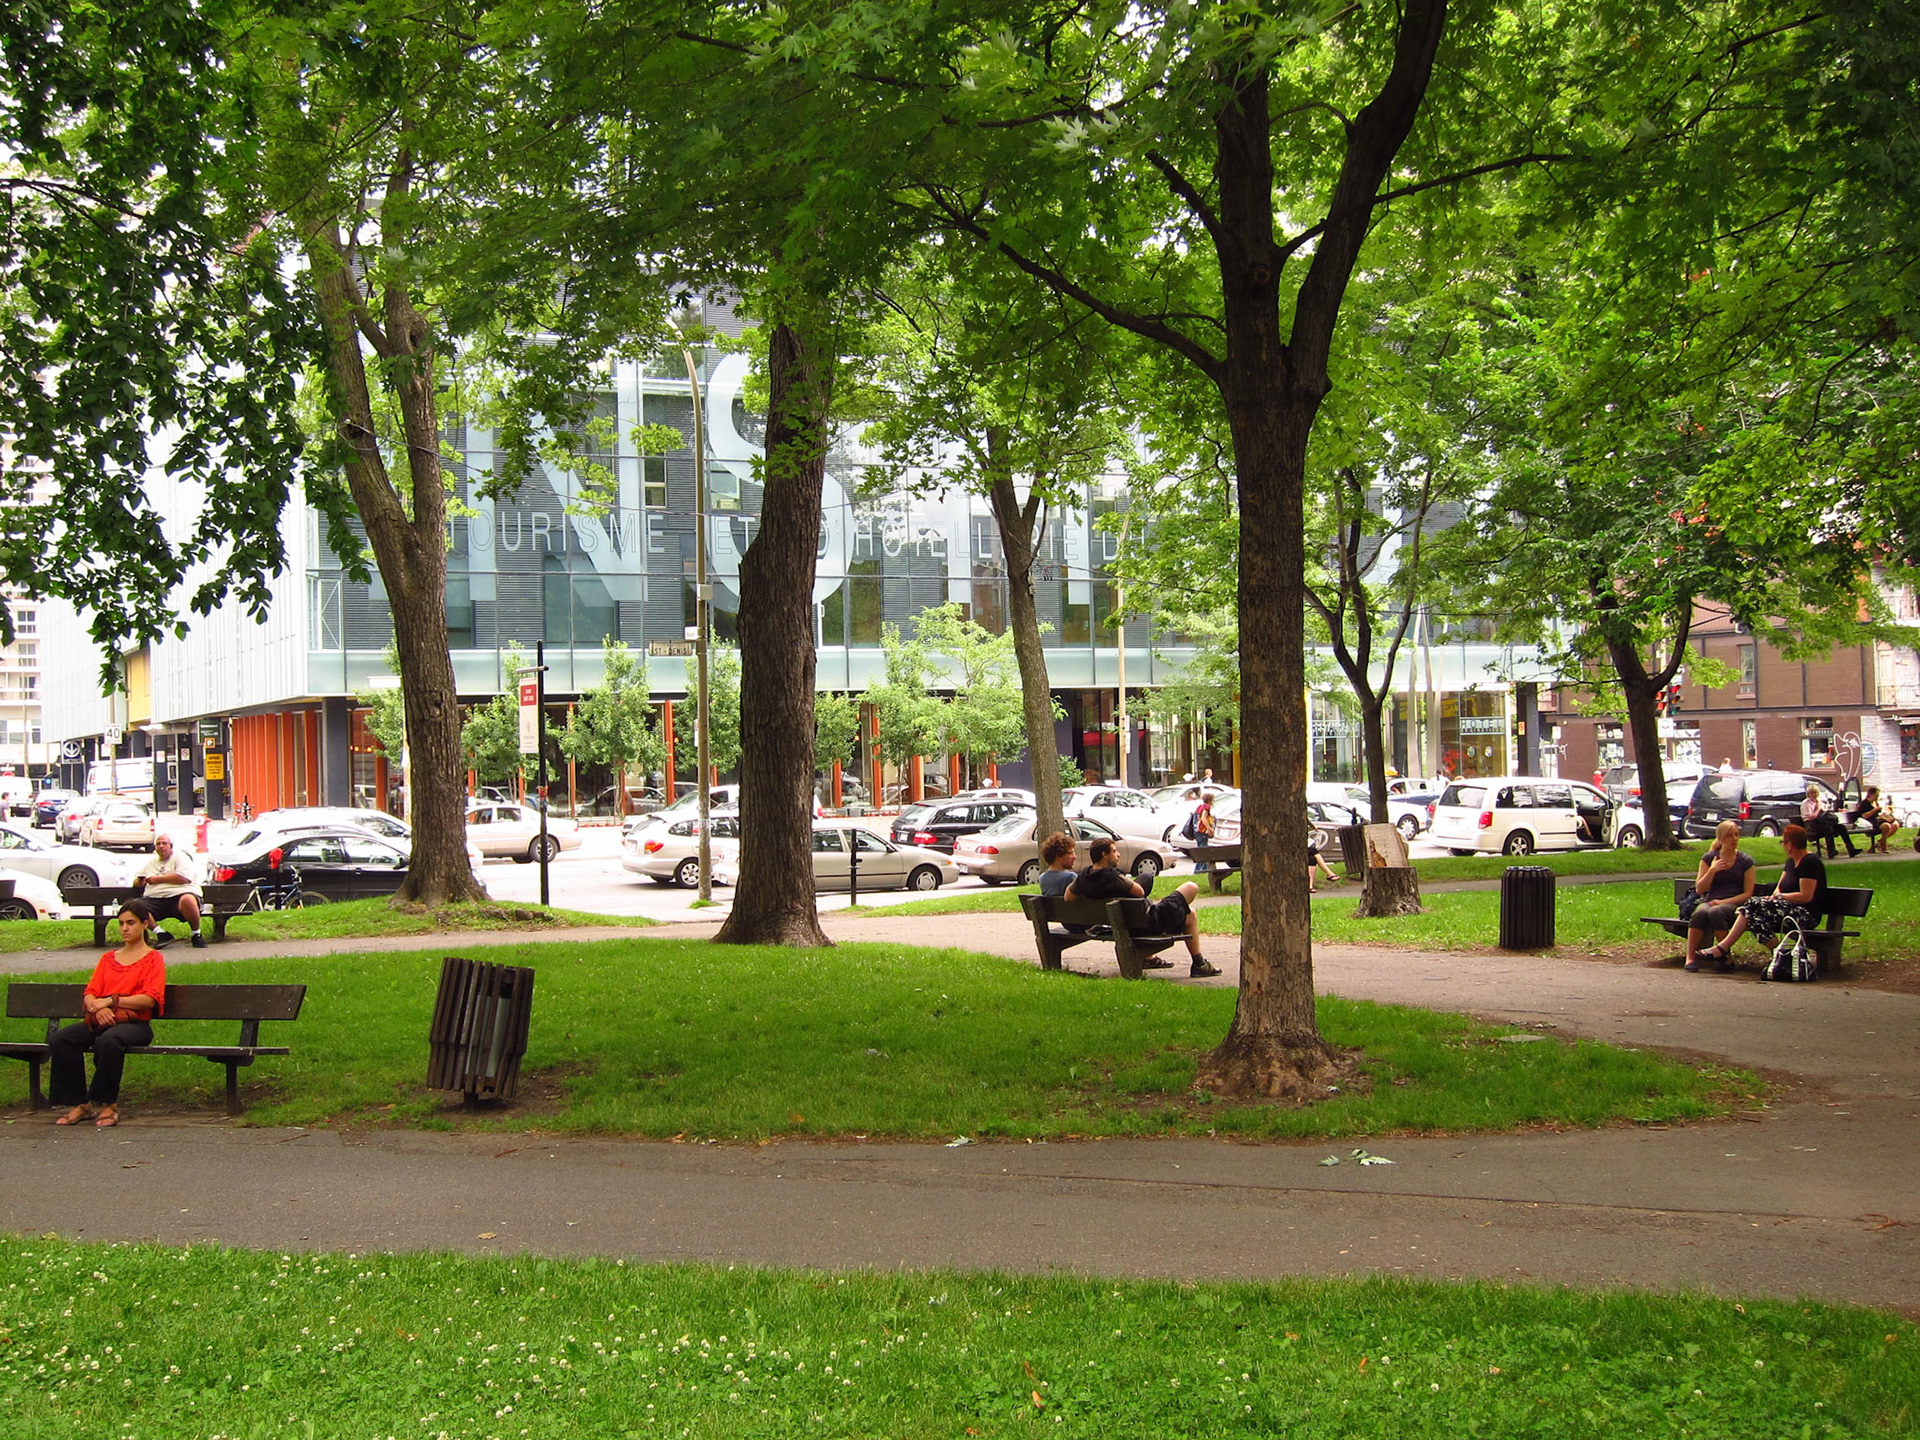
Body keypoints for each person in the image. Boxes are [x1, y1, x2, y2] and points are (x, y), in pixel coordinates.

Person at [50, 899, 167, 1128]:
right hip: (102, 1019)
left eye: (131, 923)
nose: (125, 928)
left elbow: (149, 999)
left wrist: (111, 1002)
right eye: (121, 923)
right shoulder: (108, 958)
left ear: (145, 924)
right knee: (61, 1040)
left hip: (134, 1025)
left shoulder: (153, 959)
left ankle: (108, 1103)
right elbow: (89, 993)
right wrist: (98, 1006)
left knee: (109, 1041)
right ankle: (80, 1104)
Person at [1067, 836, 1220, 977]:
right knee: (1190, 887)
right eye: (1114, 851)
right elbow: (1139, 891)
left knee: (1190, 914)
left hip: (1125, 924)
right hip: (1148, 921)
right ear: (1104, 854)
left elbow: (1068, 896)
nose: (1118, 854)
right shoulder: (1113, 877)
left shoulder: (1083, 877)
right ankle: (1199, 964)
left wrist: (1091, 891)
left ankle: (1199, 963)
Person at [1692, 823, 1825, 968]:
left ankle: (1723, 948)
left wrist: (1780, 897)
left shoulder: (1810, 862)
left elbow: (1806, 896)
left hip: (1804, 913)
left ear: (1790, 845)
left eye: (1783, 842)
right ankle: (1782, 956)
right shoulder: (1790, 862)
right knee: (1752, 916)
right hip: (1786, 909)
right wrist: (1774, 896)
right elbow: (1779, 888)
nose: (1783, 846)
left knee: (1751, 906)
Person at [1683, 820, 1758, 970]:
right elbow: (1700, 889)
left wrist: (1724, 902)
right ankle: (1690, 958)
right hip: (1711, 900)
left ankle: (1725, 957)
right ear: (1721, 838)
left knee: (1716, 912)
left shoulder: (1745, 861)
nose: (1735, 839)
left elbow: (1748, 894)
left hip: (1734, 903)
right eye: (1730, 836)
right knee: (1700, 913)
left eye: (1736, 835)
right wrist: (1712, 870)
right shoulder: (1709, 858)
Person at [133, 833, 206, 947]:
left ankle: (196, 935)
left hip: (180, 896)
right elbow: (137, 880)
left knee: (188, 899)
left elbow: (183, 878)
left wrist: (156, 879)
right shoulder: (151, 863)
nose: (161, 846)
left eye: (164, 843)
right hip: (155, 899)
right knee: (135, 906)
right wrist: (139, 882)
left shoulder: (181, 857)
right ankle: (162, 934)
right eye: (158, 844)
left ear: (171, 846)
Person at [1801, 784, 1856, 860]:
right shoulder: (1806, 803)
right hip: (1811, 825)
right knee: (1828, 828)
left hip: (1822, 822)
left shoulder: (1819, 801)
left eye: (1815, 793)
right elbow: (1811, 817)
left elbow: (1825, 812)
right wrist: (1818, 809)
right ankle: (1831, 851)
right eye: (1811, 793)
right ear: (1808, 794)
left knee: (1841, 827)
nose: (1813, 795)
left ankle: (1851, 849)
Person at [1849, 785, 1896, 854]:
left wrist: (1885, 815)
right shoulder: (1864, 803)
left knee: (1895, 824)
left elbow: (1877, 815)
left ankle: (1879, 842)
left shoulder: (1875, 802)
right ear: (1870, 795)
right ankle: (1883, 846)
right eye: (1876, 795)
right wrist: (1875, 810)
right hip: (1869, 823)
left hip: (1877, 820)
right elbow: (1864, 815)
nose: (1877, 797)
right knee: (1886, 826)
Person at [1037, 831, 1078, 898]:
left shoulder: (1043, 878)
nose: (1075, 857)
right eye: (1071, 853)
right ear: (1058, 857)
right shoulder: (1070, 877)